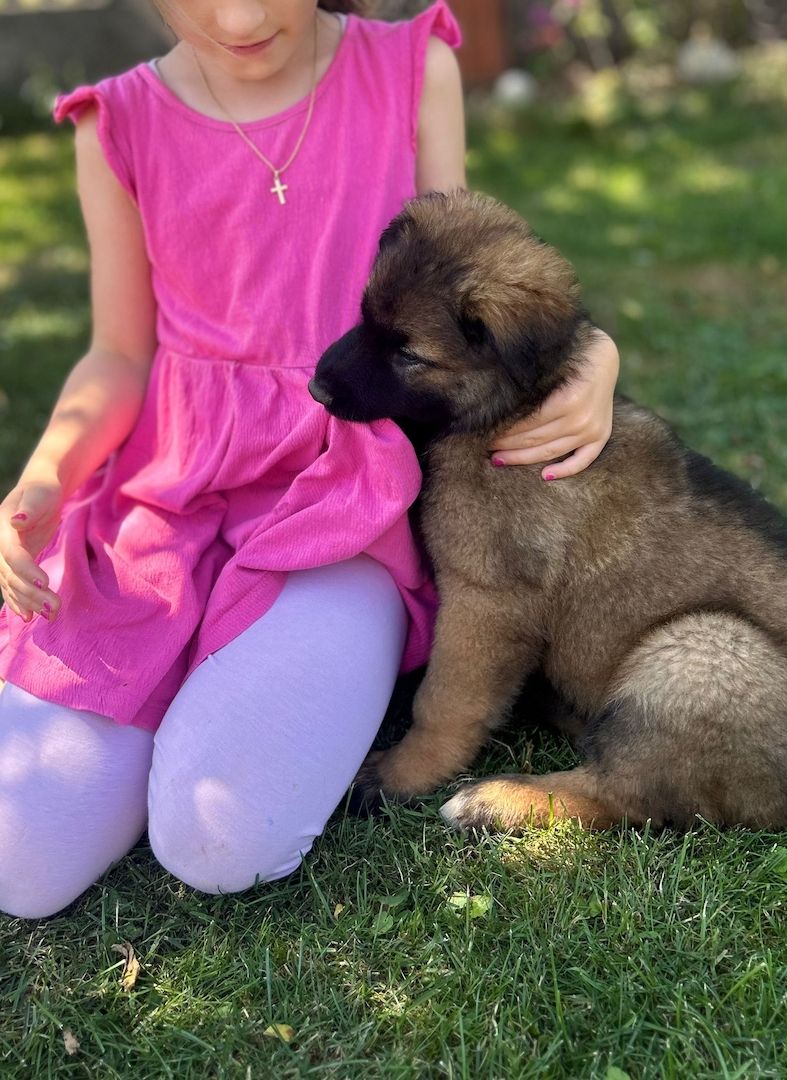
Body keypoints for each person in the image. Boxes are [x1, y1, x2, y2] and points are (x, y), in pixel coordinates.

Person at [0, 0, 620, 920]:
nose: (242, 15)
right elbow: (120, 351)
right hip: (168, 497)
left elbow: (472, 273)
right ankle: (173, 678)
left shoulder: (410, 68)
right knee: (22, 862)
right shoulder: (118, 119)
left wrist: (595, 355)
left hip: (344, 503)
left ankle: (236, 696)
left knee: (221, 841)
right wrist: (47, 472)